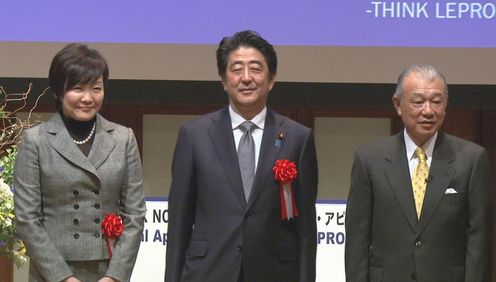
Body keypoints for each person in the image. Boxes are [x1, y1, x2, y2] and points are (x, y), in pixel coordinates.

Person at [165, 30, 318, 282]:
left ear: (271, 79)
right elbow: (179, 223)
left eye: (256, 69)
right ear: (224, 80)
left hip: (276, 274)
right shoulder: (194, 135)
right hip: (208, 272)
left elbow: (305, 230)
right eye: (236, 69)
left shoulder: (298, 138)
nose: (246, 78)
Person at [345, 64, 493, 282]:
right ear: (398, 104)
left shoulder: (471, 159)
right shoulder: (369, 159)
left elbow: (479, 242)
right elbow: (357, 240)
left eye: (436, 101)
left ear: (445, 106)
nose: (428, 111)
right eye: (418, 101)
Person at [14, 43, 146, 282]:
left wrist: (115, 276)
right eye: (77, 88)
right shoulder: (36, 141)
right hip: (52, 272)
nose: (88, 98)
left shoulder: (123, 138)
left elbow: (135, 214)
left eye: (96, 88)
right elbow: (27, 219)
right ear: (58, 91)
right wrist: (63, 277)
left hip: (107, 270)